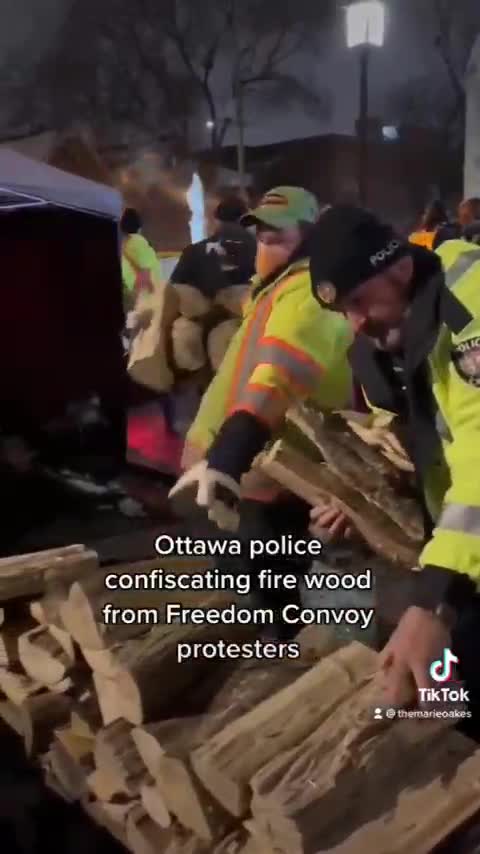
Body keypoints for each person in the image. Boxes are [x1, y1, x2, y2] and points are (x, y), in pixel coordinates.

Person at [308, 204, 480, 734]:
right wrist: (360, 500)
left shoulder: (469, 307)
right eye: (343, 311)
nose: (355, 322)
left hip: (467, 549)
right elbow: (431, 449)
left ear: (400, 269)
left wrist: (433, 601)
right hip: (468, 551)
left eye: (360, 301)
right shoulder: (399, 330)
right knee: (451, 696)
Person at [169, 187, 353, 635]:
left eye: (278, 236)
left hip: (262, 479)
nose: (265, 246)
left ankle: (273, 682)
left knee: (259, 609)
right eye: (262, 235)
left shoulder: (309, 291)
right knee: (241, 599)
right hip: (240, 476)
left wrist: (228, 455)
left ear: (309, 237)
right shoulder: (277, 288)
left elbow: (279, 376)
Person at [169, 196, 256, 298]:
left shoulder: (193, 251)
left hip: (204, 311)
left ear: (217, 220)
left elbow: (173, 289)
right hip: (247, 310)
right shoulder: (259, 250)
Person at [121, 208, 160, 307]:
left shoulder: (127, 244)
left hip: (142, 293)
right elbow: (145, 271)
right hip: (147, 293)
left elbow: (143, 271)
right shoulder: (138, 242)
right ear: (139, 227)